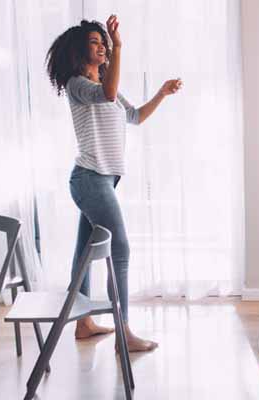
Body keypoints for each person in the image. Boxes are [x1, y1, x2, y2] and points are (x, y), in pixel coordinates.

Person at [46, 15, 182, 351]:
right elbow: (106, 95)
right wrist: (120, 46)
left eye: (104, 42)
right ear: (81, 50)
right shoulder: (79, 85)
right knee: (119, 249)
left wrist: (162, 93)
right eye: (96, 42)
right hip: (90, 180)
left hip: (101, 180)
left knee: (84, 254)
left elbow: (135, 116)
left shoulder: (110, 89)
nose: (103, 46)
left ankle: (84, 324)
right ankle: (124, 333)